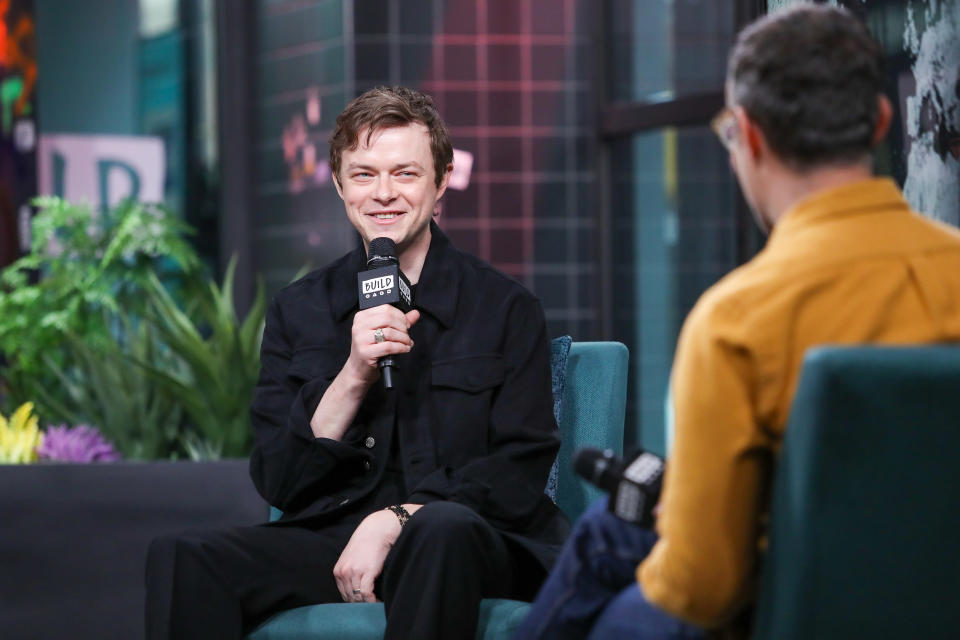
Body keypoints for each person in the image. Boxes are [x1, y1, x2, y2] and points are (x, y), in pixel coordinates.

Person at [515, 5, 960, 639]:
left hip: (796, 606)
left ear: (747, 136)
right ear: (883, 119)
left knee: (612, 552)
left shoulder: (737, 320)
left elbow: (702, 585)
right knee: (613, 529)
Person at [145, 86, 567, 640]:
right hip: (337, 537)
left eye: (405, 174)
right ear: (341, 185)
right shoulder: (299, 310)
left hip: (467, 536)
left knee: (440, 530)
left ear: (441, 182)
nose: (384, 194)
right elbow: (278, 478)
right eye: (365, 175)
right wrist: (353, 374)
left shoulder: (506, 308)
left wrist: (395, 520)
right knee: (185, 555)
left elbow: (518, 470)